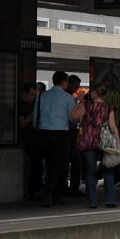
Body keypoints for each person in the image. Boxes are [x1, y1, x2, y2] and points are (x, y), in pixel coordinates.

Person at [72, 83, 120, 208]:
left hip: (88, 141)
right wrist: (118, 141)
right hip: (105, 141)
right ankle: (110, 200)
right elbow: (112, 125)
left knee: (90, 172)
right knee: (108, 169)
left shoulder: (86, 105)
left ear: (95, 92)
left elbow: (73, 117)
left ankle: (93, 202)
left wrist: (79, 101)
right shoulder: (108, 107)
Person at [36, 71, 77, 207]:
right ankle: (47, 191)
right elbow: (72, 118)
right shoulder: (68, 98)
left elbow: (36, 113)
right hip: (60, 133)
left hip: (43, 133)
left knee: (50, 164)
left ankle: (56, 197)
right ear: (64, 82)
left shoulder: (43, 95)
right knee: (60, 165)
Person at [17, 82, 43, 201]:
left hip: (35, 139)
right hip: (26, 140)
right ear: (25, 94)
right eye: (31, 95)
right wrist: (33, 116)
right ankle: (32, 191)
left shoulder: (33, 105)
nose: (33, 97)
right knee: (34, 165)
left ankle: (36, 189)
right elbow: (22, 123)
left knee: (37, 165)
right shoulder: (21, 106)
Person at [66, 75, 84, 196]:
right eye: (76, 86)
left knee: (71, 161)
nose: (76, 89)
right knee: (75, 161)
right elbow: (73, 117)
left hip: (69, 132)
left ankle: (70, 186)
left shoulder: (70, 98)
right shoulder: (70, 99)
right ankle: (72, 186)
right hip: (68, 132)